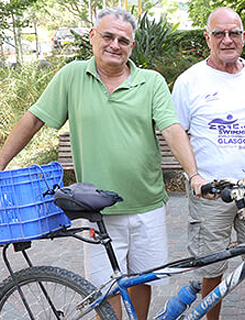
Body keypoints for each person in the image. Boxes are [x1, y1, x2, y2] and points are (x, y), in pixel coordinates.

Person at [0, 7, 199, 320]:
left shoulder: (151, 82)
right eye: (108, 36)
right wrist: (1, 162)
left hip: (148, 206)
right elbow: (34, 119)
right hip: (97, 210)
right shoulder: (72, 76)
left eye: (123, 40)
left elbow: (172, 129)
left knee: (143, 279)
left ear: (132, 46)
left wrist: (194, 175)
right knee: (106, 290)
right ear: (93, 36)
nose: (114, 44)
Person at [171, 7, 245, 320]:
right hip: (211, 193)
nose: (227, 39)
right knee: (212, 268)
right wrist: (195, 177)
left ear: (243, 37)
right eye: (219, 33)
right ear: (208, 38)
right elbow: (178, 134)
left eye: (234, 33)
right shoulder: (189, 81)